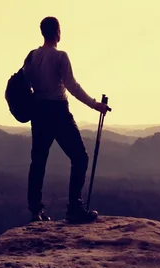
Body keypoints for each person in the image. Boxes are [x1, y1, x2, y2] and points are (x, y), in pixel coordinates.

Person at [23, 16, 111, 223]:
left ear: (42, 32)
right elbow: (71, 85)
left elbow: (26, 82)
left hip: (38, 112)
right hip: (58, 111)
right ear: (57, 32)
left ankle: (35, 211)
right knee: (80, 157)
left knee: (38, 161)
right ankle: (74, 208)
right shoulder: (61, 56)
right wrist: (94, 104)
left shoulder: (31, 56)